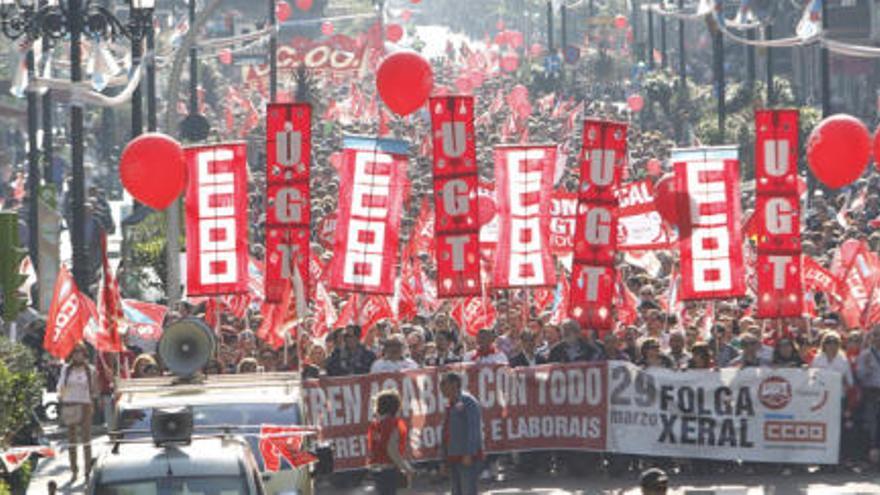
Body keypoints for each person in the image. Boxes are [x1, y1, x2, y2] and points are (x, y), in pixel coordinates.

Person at [58, 343, 98, 483]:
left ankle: (87, 470)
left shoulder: (90, 369)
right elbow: (60, 387)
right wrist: (63, 398)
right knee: (72, 441)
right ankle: (74, 470)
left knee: (86, 440)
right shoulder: (66, 369)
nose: (77, 354)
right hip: (70, 404)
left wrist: (93, 401)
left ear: (84, 353)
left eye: (80, 351)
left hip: (85, 404)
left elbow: (94, 390)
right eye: (74, 351)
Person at [440, 372, 483, 495]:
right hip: (452, 454)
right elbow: (446, 431)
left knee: (468, 490)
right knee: (456, 491)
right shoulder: (449, 403)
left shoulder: (468, 401)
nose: (441, 387)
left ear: (455, 384)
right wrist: (443, 458)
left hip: (465, 456)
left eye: (444, 383)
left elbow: (473, 428)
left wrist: (469, 453)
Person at [367, 390, 415, 495]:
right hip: (390, 470)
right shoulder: (394, 424)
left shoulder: (374, 426)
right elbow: (391, 448)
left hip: (377, 469)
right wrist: (405, 467)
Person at [856, 327, 880, 465]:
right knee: (872, 423)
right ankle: (872, 454)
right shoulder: (865, 355)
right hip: (871, 392)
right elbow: (859, 375)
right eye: (876, 335)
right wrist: (867, 369)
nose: (878, 338)